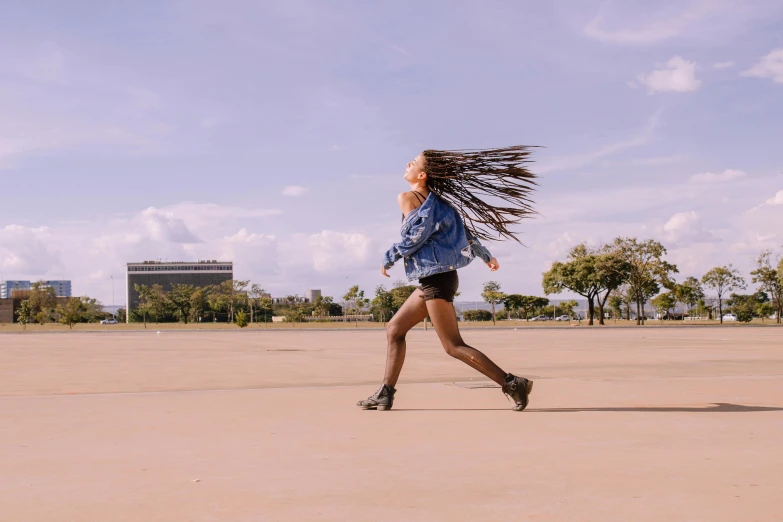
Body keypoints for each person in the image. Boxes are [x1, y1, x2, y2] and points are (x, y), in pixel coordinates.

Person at [357, 146, 538, 412]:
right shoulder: (442, 205)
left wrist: (389, 256)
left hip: (436, 280)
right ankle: (385, 393)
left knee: (453, 346)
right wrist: (485, 255)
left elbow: (414, 237)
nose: (408, 163)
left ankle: (512, 383)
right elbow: (466, 235)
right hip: (438, 278)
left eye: (414, 162)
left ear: (423, 175)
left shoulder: (409, 198)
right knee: (395, 330)